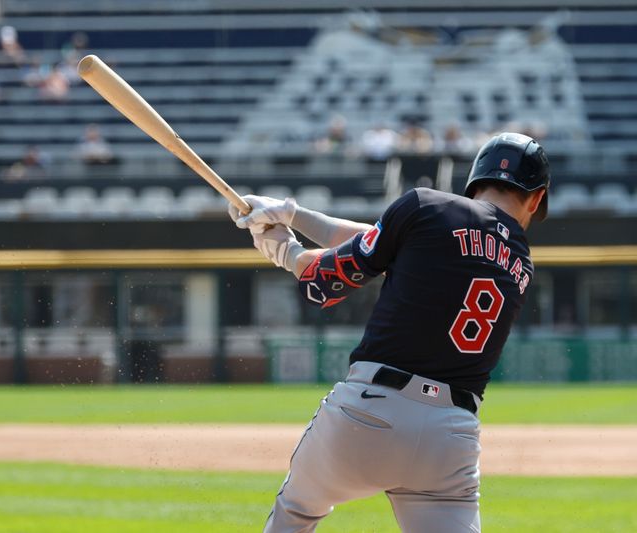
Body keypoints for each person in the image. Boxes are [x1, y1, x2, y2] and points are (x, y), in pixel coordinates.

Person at [228, 132, 550, 532]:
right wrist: (293, 214)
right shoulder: (520, 265)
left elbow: (326, 279)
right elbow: (391, 242)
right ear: (536, 199)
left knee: (297, 511)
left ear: (474, 180)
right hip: (450, 440)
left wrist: (285, 251)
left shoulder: (425, 205)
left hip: (368, 413)